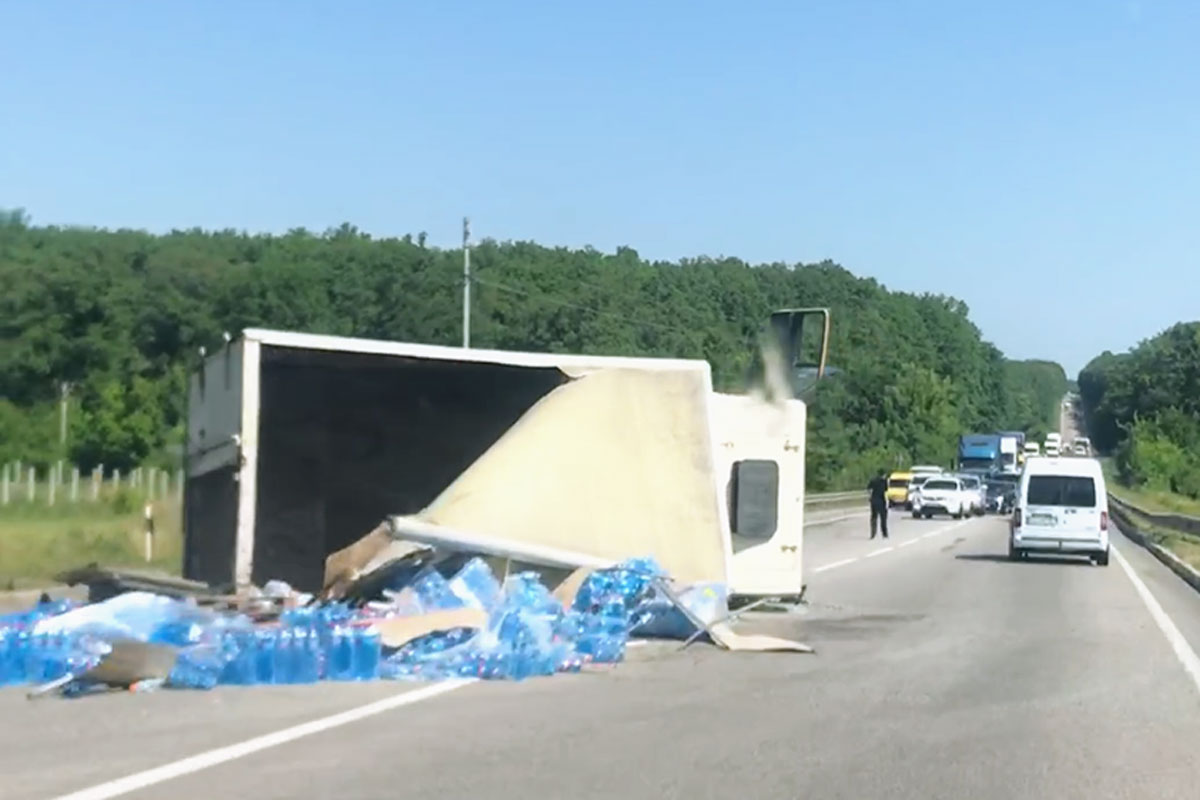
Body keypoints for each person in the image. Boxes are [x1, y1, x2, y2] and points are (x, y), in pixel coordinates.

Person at [867, 468, 889, 539]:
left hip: (874, 501)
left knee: (873, 517)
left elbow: (869, 489)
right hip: (881, 501)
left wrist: (870, 497)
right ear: (884, 474)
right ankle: (884, 534)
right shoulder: (884, 481)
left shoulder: (873, 480)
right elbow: (886, 491)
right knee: (883, 518)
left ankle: (873, 534)